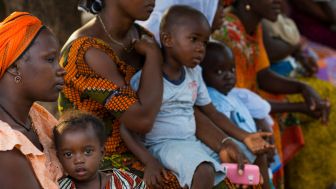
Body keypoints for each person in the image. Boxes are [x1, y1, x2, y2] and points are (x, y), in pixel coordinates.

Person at [59, 0, 251, 188]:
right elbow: (142, 121)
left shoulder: (142, 36)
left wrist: (223, 143)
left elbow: (178, 104)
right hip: (101, 160)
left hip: (155, 146)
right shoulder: (86, 50)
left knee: (242, 173)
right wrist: (153, 55)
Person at [123, 5, 274, 189]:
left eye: (204, 43)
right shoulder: (146, 78)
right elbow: (127, 126)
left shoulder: (193, 75)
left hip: (193, 142)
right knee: (204, 171)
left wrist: (245, 137)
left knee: (256, 153)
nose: (200, 49)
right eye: (194, 39)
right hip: (165, 146)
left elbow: (212, 113)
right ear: (167, 39)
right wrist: (149, 162)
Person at [213, 0, 335, 188]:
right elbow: (236, 97)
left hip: (250, 99)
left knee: (323, 93)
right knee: (274, 121)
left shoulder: (253, 25)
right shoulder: (229, 32)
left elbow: (263, 73)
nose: (280, 1)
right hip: (234, 107)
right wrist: (299, 107)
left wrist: (302, 87)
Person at [0, 12, 66, 188]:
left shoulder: (37, 117)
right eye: (50, 59)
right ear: (15, 66)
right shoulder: (4, 146)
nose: (61, 70)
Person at [201, 40, 276, 189]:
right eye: (218, 71)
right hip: (231, 152)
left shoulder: (230, 94)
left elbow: (260, 108)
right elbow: (223, 130)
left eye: (232, 70)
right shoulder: (213, 97)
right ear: (202, 73)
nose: (228, 76)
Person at [55, 110, 148, 189]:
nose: (78, 160)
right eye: (68, 154)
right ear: (59, 158)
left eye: (87, 151)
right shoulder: (58, 187)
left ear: (102, 153)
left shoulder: (125, 182)